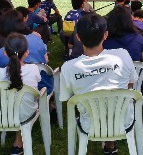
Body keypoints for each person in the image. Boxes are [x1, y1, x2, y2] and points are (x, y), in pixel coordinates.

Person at [59, 13, 137, 155]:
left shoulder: (68, 68)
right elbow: (130, 84)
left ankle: (110, 144)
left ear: (78, 37)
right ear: (105, 35)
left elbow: (67, 99)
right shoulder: (122, 55)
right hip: (123, 119)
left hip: (90, 122)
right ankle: (110, 145)